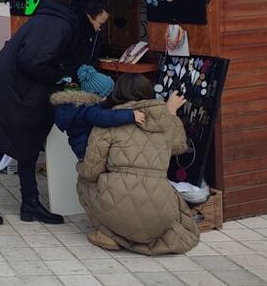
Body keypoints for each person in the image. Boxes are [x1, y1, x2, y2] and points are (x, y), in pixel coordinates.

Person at [0, 0, 110, 226]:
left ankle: (30, 203)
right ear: (88, 15)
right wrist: (61, 75)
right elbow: (32, 60)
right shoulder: (59, 25)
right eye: (98, 23)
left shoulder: (63, 22)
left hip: (26, 89)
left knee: (28, 143)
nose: (98, 29)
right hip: (13, 89)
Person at [77, 74, 198, 255]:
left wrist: (79, 166)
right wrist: (170, 113)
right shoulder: (164, 121)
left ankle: (108, 233)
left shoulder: (108, 121)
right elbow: (179, 146)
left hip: (117, 204)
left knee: (84, 179)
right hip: (160, 212)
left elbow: (90, 171)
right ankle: (138, 231)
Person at [50, 65, 145, 160]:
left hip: (81, 145)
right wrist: (131, 115)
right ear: (99, 95)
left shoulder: (81, 106)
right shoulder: (89, 110)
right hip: (86, 149)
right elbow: (106, 118)